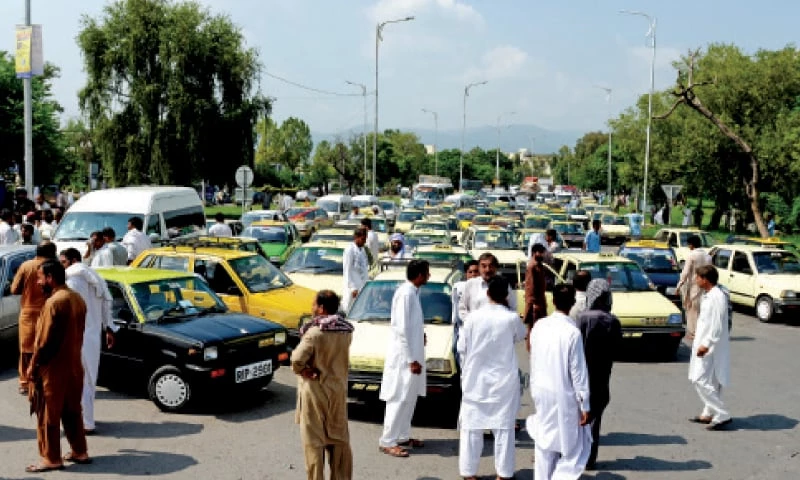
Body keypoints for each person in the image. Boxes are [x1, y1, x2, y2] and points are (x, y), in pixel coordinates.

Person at [457, 276, 526, 480]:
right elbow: (521, 335)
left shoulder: (472, 318)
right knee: (504, 428)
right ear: (506, 295)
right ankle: (503, 474)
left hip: (475, 380)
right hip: (503, 381)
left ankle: (468, 472)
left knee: (471, 429)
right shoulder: (511, 318)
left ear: (487, 294)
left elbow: (462, 348)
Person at [25, 259, 90, 473]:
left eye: (40, 278)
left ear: (50, 279)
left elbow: (44, 343)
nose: (37, 282)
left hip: (53, 370)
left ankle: (51, 458)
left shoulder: (54, 303)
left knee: (48, 416)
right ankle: (80, 452)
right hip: (74, 366)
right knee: (73, 411)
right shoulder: (77, 298)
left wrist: (33, 368)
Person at [527, 284, 592, 480]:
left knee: (545, 442)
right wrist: (585, 404)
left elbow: (534, 357)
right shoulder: (572, 333)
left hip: (541, 390)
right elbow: (578, 372)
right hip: (563, 394)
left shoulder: (539, 326)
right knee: (573, 447)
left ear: (553, 301)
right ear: (572, 303)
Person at [291, 290, 354, 480]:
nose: (312, 308)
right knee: (339, 441)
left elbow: (296, 360)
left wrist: (303, 371)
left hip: (315, 394)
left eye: (314, 305)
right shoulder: (346, 331)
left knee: (314, 445)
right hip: (337, 392)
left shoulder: (315, 333)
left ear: (321, 308)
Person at [60, 248, 117, 434]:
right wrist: (109, 328)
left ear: (73, 260)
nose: (62, 266)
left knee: (77, 380)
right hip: (92, 336)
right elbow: (107, 302)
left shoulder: (72, 278)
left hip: (78, 336)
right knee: (89, 379)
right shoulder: (95, 277)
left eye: (63, 262)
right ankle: (87, 419)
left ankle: (84, 422)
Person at [378, 260, 429, 458]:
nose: (429, 276)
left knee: (409, 398)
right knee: (398, 397)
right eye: (427, 273)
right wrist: (410, 359)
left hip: (414, 355)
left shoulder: (413, 293)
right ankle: (387, 440)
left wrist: (421, 334)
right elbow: (400, 329)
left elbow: (411, 324)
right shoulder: (406, 294)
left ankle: (402, 435)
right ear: (420, 275)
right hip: (404, 358)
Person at [574, 279, 622, 470]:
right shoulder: (612, 320)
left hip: (581, 373)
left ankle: (575, 455)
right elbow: (618, 349)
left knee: (577, 416)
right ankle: (589, 459)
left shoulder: (583, 318)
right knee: (594, 420)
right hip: (602, 374)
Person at [688, 265, 731, 430]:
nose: (696, 280)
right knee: (711, 381)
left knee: (699, 379)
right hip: (704, 343)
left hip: (710, 347)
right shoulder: (709, 295)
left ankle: (722, 413)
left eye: (698, 277)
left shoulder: (717, 296)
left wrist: (706, 344)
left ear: (705, 279)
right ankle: (708, 413)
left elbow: (718, 325)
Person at [11, 241, 56, 395]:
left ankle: (24, 382)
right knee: (47, 346)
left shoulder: (26, 266)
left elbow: (14, 289)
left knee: (26, 349)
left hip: (29, 312)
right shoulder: (55, 267)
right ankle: (44, 379)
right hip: (49, 311)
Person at [458, 253, 517, 322]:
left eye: (491, 266)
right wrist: (471, 323)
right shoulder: (470, 284)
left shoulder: (504, 284)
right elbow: (462, 309)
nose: (487, 270)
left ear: (496, 268)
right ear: (479, 268)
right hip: (476, 328)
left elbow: (513, 307)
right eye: (484, 266)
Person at [677, 235, 712, 340]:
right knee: (702, 310)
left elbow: (685, 272)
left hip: (694, 286)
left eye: (689, 244)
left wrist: (679, 285)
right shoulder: (708, 256)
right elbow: (711, 271)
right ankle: (702, 331)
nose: (688, 247)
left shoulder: (692, 255)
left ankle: (694, 333)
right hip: (706, 286)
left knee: (692, 309)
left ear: (692, 245)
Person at [341, 227, 369, 312]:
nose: (364, 241)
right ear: (356, 237)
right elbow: (347, 270)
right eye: (363, 239)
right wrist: (353, 288)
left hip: (362, 286)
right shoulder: (350, 250)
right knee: (349, 310)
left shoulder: (363, 250)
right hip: (352, 289)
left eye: (365, 239)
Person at [523, 243, 548, 333]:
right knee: (533, 330)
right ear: (534, 253)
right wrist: (533, 304)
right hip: (535, 304)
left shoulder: (539, 266)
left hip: (541, 302)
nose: (542, 254)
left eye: (543, 252)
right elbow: (530, 287)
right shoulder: (532, 267)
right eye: (540, 252)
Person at [452, 260, 480, 328]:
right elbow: (456, 308)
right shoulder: (458, 288)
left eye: (476, 271)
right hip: (462, 326)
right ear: (466, 274)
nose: (473, 274)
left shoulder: (485, 289)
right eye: (470, 272)